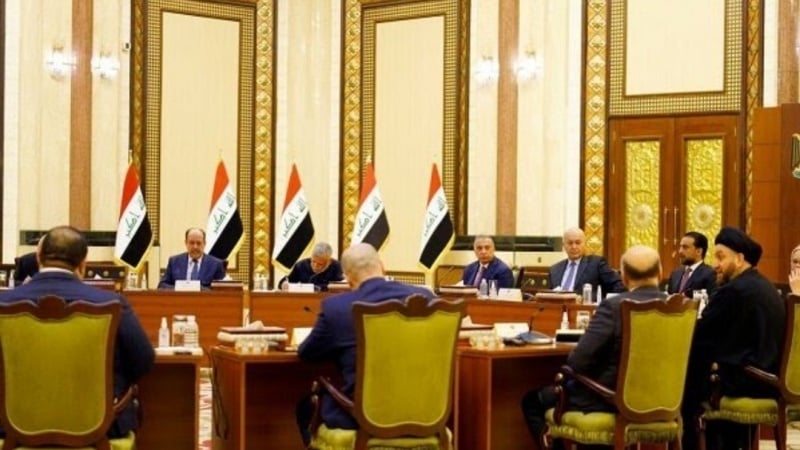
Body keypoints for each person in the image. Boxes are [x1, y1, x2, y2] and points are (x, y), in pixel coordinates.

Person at [0, 225, 155, 438]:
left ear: (38, 257)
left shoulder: (4, 302)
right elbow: (144, 360)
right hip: (101, 429)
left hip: (13, 428)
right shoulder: (112, 303)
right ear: (83, 263)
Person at [521, 245, 666, 449]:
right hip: (663, 400)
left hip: (611, 400)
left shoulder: (614, 306)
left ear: (623, 277)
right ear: (660, 272)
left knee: (532, 400)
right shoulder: (680, 307)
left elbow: (577, 361)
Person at [295, 243, 434, 445]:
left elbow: (306, 354)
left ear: (347, 278)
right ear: (383, 267)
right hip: (423, 413)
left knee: (306, 407)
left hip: (360, 418)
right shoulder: (425, 298)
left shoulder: (336, 308)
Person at [681, 226, 785, 450]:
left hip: (745, 382)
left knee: (683, 385)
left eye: (721, 257)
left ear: (739, 259)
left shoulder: (734, 290)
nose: (715, 265)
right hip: (769, 382)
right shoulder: (765, 286)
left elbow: (700, 335)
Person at [547, 227, 625, 298]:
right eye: (570, 243)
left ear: (584, 244)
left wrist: (604, 303)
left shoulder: (596, 264)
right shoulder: (555, 269)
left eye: (578, 243)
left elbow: (618, 286)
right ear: (564, 246)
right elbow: (548, 295)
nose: (574, 247)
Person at [158, 228, 226, 289]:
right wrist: (180, 288)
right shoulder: (174, 262)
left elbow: (221, 290)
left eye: (198, 243)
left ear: (204, 243)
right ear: (186, 243)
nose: (195, 247)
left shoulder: (216, 264)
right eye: (191, 243)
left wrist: (198, 289)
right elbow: (162, 285)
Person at [667, 231, 716, 297]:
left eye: (685, 247)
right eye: (680, 247)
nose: (680, 251)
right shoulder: (675, 274)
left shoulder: (710, 274)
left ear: (699, 251)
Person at [278, 242, 344, 291]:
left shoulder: (337, 267)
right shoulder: (301, 265)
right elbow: (287, 281)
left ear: (329, 262)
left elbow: (340, 287)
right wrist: (283, 284)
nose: (315, 266)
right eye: (313, 261)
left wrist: (317, 287)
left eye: (320, 264)